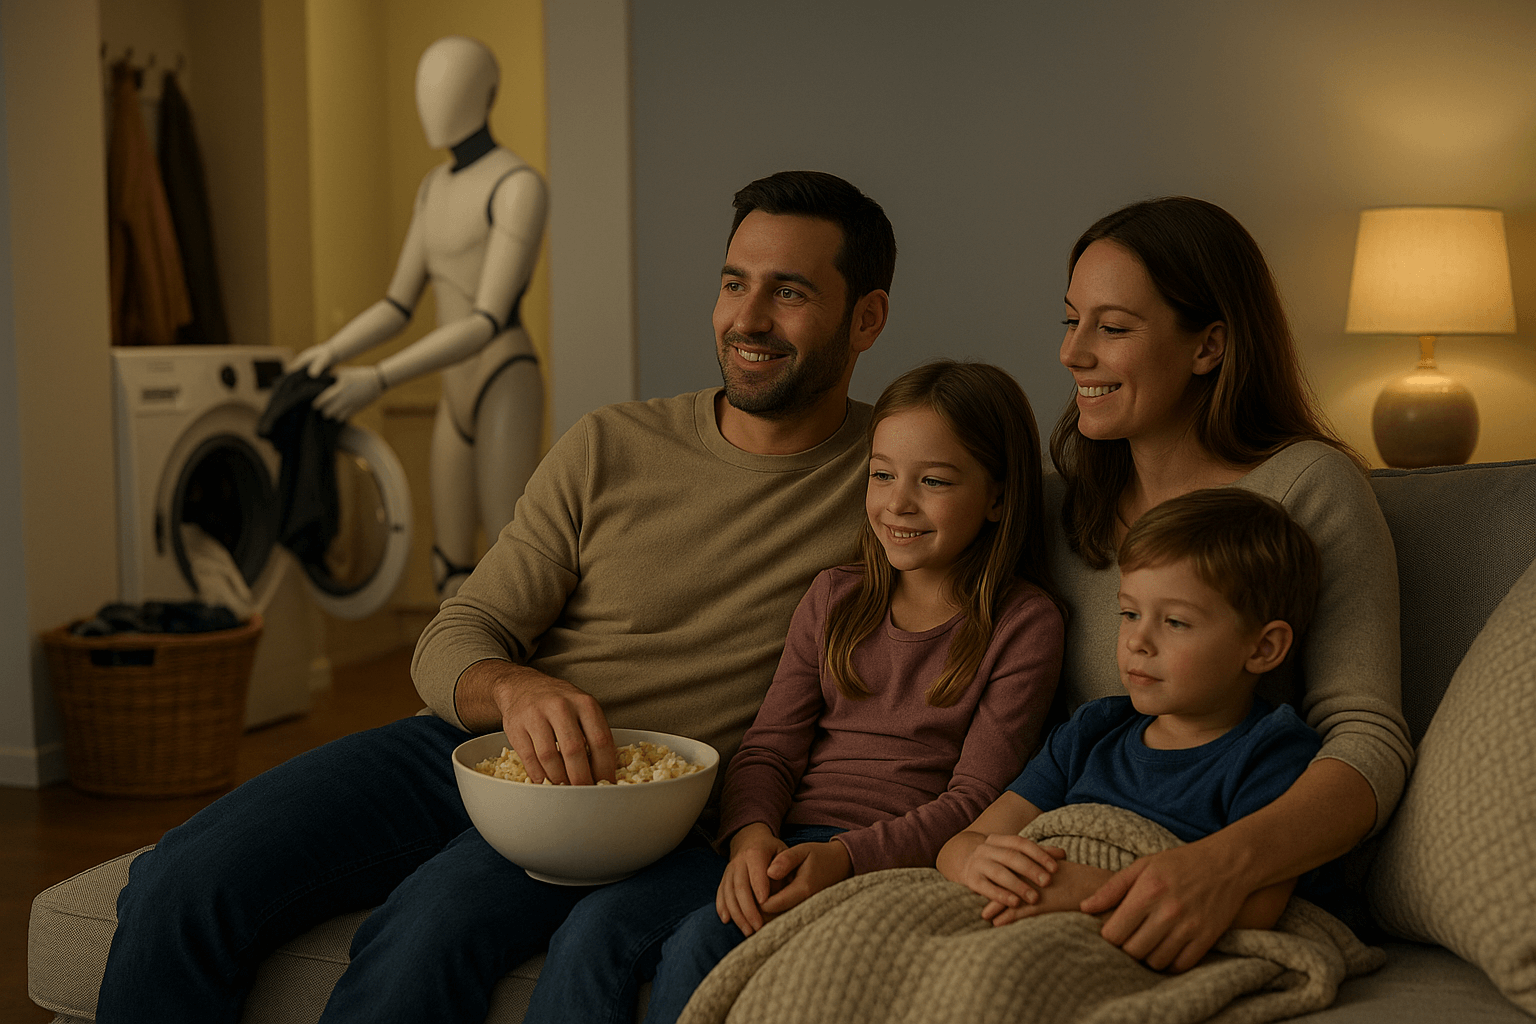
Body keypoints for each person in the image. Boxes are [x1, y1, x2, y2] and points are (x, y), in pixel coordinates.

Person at [95, 169, 896, 1024]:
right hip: (469, 749)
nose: (748, 319)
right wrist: (515, 688)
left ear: (867, 319)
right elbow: (458, 633)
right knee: (181, 880)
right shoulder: (611, 444)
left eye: (791, 292)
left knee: (419, 939)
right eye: (734, 283)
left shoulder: (898, 485)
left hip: (635, 808)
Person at [519, 360, 1065, 1024]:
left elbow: (978, 800)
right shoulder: (835, 598)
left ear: (999, 498)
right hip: (777, 841)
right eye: (882, 474)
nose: (898, 503)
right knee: (593, 929)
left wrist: (841, 858)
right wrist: (750, 838)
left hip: (888, 862)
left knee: (702, 944)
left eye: (935, 481)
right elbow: (769, 748)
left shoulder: (1024, 623)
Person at [1031, 196, 1414, 972]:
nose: (1073, 353)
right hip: (1060, 860)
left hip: (1220, 871)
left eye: (1112, 327)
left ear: (1209, 345)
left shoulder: (1309, 488)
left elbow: (1367, 735)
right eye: (1070, 321)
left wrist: (1222, 866)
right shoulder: (1060, 503)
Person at [939, 487, 1326, 933]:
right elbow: (963, 844)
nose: (1137, 641)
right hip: (1023, 905)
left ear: (1263, 648)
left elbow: (1256, 912)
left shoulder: (1273, 753)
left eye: (1175, 621)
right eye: (1129, 614)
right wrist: (974, 863)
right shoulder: (1091, 731)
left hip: (1121, 925)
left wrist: (1089, 892)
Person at [288, 35, 549, 599]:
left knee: (512, 557)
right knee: (449, 564)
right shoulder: (433, 188)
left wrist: (378, 378)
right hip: (452, 392)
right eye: (425, 88)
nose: (433, 101)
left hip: (502, 377)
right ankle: (454, 687)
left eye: (447, 86)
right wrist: (333, 351)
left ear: (485, 94)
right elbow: (397, 305)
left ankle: (515, 686)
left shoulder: (518, 186)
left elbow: (486, 320)